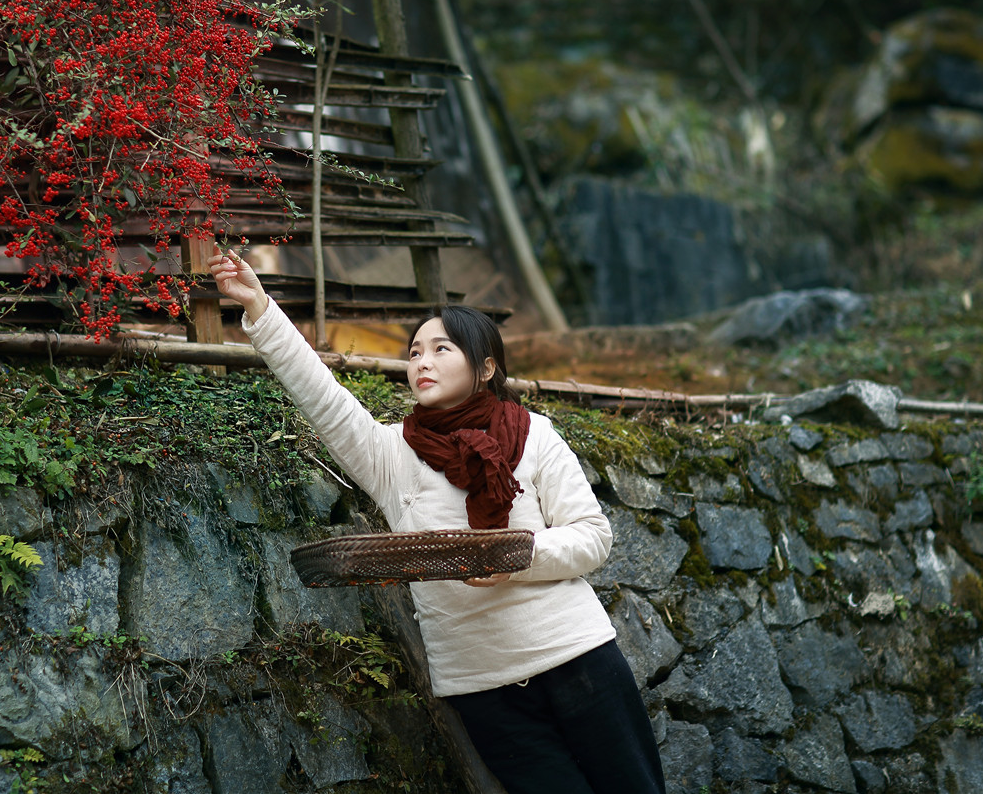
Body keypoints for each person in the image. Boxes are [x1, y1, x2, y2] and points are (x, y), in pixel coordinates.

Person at [209, 251, 666, 794]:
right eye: (414, 351)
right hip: (482, 687)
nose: (421, 361)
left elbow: (593, 538)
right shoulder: (392, 455)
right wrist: (261, 308)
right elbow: (323, 398)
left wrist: (512, 559)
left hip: (579, 659)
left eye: (441, 349)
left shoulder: (534, 435)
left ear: (486, 366)